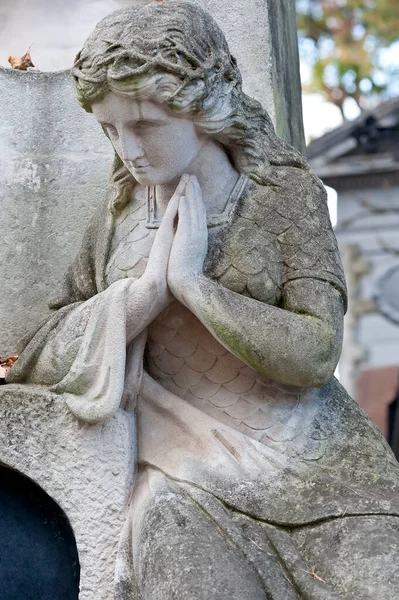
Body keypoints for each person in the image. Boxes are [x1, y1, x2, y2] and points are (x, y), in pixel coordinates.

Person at [7, 3, 399, 598]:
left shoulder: (283, 197)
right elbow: (38, 351)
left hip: (321, 471)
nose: (129, 149)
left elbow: (317, 353)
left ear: (204, 107)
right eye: (111, 130)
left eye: (144, 125)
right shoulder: (118, 217)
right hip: (181, 474)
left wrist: (195, 289)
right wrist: (141, 298)